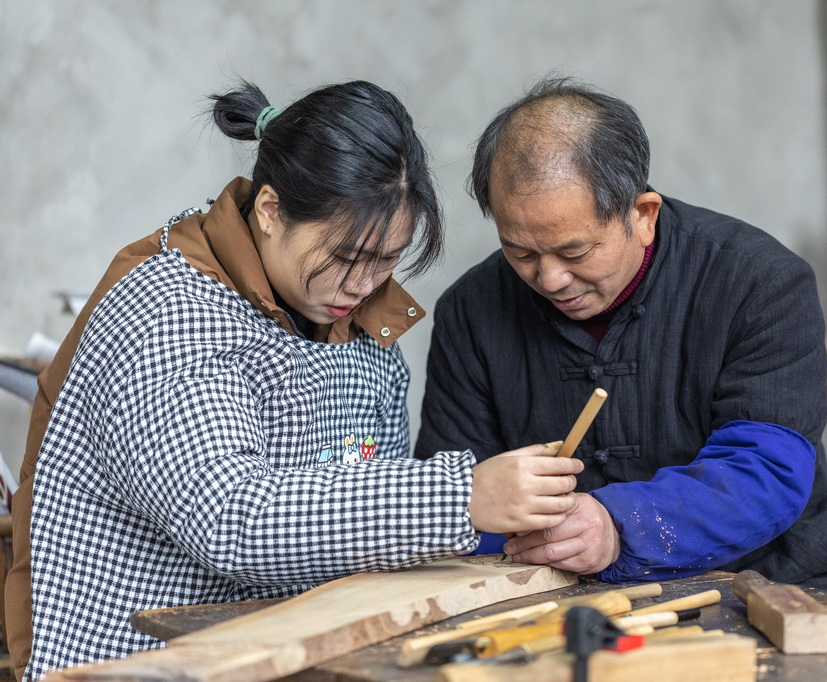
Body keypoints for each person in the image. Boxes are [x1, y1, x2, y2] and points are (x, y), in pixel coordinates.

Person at [6, 80, 582, 680]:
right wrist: (460, 496)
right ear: (271, 211)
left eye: (387, 259)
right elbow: (230, 516)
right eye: (345, 257)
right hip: (125, 660)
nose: (363, 285)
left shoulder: (362, 331)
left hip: (275, 655)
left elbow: (363, 520)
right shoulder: (169, 308)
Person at [416, 77, 827, 598]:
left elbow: (767, 471)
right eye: (520, 252)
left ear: (642, 215)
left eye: (574, 252)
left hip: (782, 583)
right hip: (557, 598)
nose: (549, 279)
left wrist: (617, 526)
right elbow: (458, 495)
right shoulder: (471, 311)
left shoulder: (759, 281)